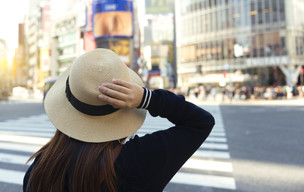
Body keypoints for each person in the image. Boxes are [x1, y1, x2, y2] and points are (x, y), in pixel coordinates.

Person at [23, 48, 215, 192]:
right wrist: (147, 98)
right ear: (126, 102)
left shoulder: (40, 168)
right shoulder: (140, 159)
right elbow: (200, 122)